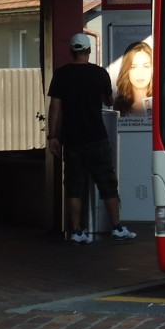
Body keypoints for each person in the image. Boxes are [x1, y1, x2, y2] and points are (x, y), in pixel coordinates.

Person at [46, 33, 136, 244]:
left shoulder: (61, 74)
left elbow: (55, 108)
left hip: (72, 139)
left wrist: (53, 136)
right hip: (97, 137)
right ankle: (117, 227)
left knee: (74, 186)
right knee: (107, 184)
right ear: (88, 51)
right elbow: (109, 100)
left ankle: (76, 232)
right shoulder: (99, 73)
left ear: (72, 51)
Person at [114, 41, 153, 117]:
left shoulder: (162, 102)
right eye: (133, 67)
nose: (140, 73)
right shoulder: (119, 105)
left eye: (145, 66)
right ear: (126, 70)